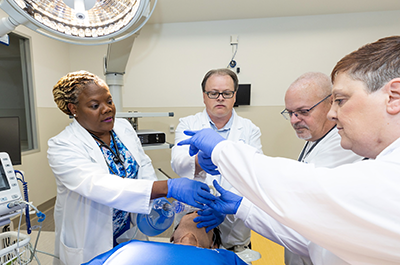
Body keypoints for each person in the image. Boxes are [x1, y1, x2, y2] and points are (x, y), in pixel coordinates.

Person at [178, 35, 400, 264]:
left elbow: (306, 188)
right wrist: (243, 208)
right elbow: (313, 240)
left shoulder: (386, 175)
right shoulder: (356, 155)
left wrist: (222, 150)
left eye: (341, 100)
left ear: (394, 96)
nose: (333, 114)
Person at [47, 70, 215, 265]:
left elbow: (142, 165)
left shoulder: (123, 128)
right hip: (90, 238)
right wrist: (168, 186)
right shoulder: (62, 145)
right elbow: (98, 185)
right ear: (73, 108)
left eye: (109, 101)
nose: (107, 109)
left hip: (129, 230)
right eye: (95, 105)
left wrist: (157, 202)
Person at [171, 68, 262, 252]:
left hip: (234, 230)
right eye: (213, 93)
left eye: (226, 93)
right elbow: (178, 161)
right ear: (204, 96)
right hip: (195, 223)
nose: (220, 98)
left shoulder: (250, 130)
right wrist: (198, 162)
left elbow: (255, 176)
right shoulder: (188, 124)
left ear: (235, 96)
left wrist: (225, 210)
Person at [282, 72, 363, 265]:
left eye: (303, 111)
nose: (294, 120)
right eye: (290, 113)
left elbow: (301, 195)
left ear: (331, 103)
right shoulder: (316, 136)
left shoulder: (342, 145)